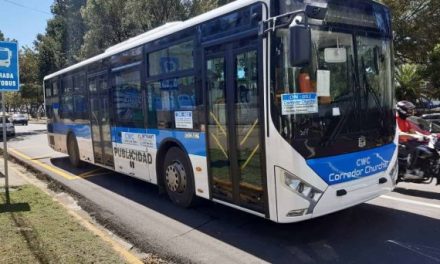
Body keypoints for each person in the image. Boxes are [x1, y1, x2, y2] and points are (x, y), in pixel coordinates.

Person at [396, 101, 426, 176]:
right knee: (408, 149)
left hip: (406, 142)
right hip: (398, 142)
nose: (412, 112)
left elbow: (413, 132)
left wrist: (426, 136)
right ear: (402, 110)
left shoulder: (405, 121)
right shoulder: (396, 119)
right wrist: (415, 136)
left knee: (422, 148)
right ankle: (406, 170)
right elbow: (399, 134)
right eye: (409, 110)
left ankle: (417, 168)